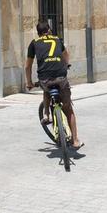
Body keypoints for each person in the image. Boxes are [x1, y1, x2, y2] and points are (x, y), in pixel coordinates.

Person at [25, 21, 83, 149]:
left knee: (46, 87)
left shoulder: (34, 43)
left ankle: (46, 114)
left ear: (38, 33)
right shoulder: (57, 40)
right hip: (61, 77)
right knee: (68, 109)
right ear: (49, 30)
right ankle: (75, 140)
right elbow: (66, 55)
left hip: (45, 78)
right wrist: (66, 65)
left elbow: (27, 66)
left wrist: (29, 82)